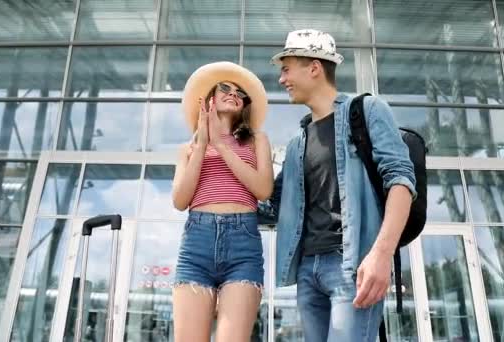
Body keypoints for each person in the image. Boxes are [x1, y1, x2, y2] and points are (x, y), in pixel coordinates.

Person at [258, 29, 417, 341]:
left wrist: (381, 255)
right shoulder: (296, 143)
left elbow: (400, 180)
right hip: (307, 272)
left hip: (351, 265)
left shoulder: (366, 110)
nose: (282, 79)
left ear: (314, 68)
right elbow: (274, 208)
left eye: (287, 69)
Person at [171, 61, 274, 342]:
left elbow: (263, 189)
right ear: (210, 99)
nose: (233, 93)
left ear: (245, 105)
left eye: (240, 93)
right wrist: (204, 143)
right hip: (197, 243)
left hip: (243, 244)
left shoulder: (257, 140)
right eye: (225, 88)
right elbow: (180, 201)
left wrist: (222, 144)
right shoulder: (189, 148)